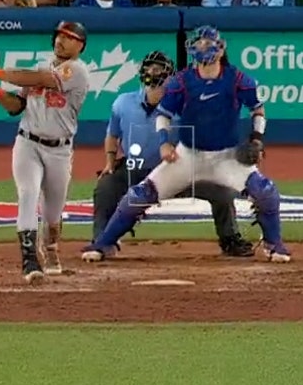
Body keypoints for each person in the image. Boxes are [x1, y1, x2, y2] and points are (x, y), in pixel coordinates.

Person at [81, 26, 291, 264]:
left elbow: (258, 109)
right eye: (199, 44)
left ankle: (274, 245)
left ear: (221, 49)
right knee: (139, 195)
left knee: (266, 192)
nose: (203, 48)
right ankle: (103, 243)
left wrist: (256, 138)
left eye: (207, 44)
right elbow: (163, 114)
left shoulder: (238, 79)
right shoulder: (181, 82)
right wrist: (164, 144)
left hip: (227, 157)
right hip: (188, 155)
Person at [93, 51, 254, 258]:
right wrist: (109, 161)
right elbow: (112, 135)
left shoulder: (185, 104)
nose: (154, 75)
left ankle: (230, 239)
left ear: (171, 77)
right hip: (138, 168)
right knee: (106, 186)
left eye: (160, 71)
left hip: (180, 171)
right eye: (151, 70)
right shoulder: (122, 103)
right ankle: (102, 241)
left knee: (221, 192)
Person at [0, 22, 91, 283]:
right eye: (59, 35)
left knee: (52, 214)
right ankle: (29, 260)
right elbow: (16, 106)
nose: (61, 41)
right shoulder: (41, 65)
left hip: (59, 150)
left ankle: (51, 247)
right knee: (28, 194)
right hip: (28, 143)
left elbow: (42, 80)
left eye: (69, 38)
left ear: (80, 45)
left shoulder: (77, 71)